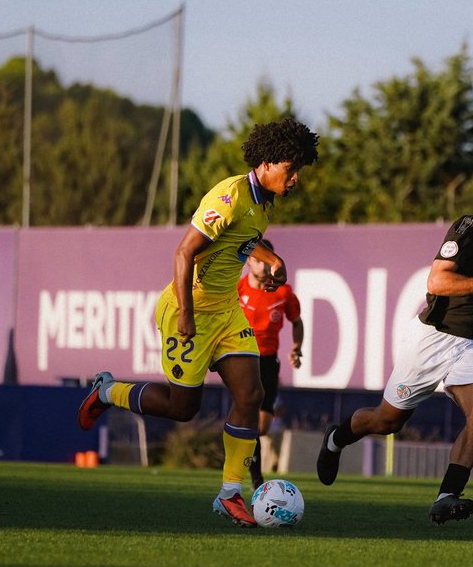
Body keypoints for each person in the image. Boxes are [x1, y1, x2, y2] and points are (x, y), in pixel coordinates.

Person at [78, 117, 319, 528]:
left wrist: (271, 258)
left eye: (299, 171)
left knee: (251, 393)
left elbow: (241, 239)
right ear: (266, 162)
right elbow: (183, 252)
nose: (295, 179)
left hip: (226, 311)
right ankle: (107, 391)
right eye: (290, 169)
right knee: (182, 408)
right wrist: (187, 314)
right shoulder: (229, 195)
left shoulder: (262, 201)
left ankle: (229, 494)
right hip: (188, 311)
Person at [316, 185, 473, 524]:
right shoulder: (464, 231)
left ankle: (447, 495)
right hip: (432, 339)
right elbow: (436, 283)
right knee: (388, 421)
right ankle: (337, 437)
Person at [237, 237, 304, 490]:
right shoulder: (238, 290)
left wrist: (296, 348)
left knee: (262, 427)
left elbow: (296, 321)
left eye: (268, 262)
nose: (265, 268)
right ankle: (256, 479)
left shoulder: (283, 293)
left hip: (269, 361)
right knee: (249, 415)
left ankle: (243, 452)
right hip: (243, 360)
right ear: (249, 262)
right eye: (259, 261)